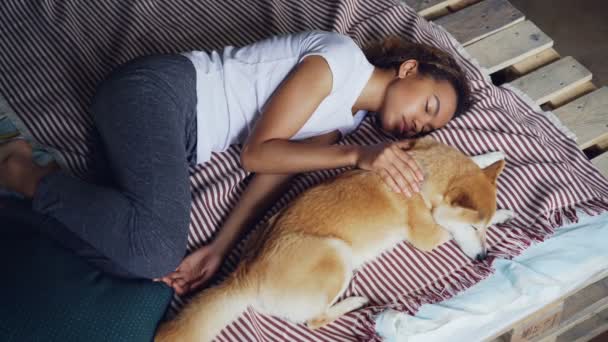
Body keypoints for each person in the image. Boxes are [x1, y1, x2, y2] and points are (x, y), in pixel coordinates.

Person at [0, 30, 470, 295]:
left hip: (171, 135)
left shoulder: (345, 127)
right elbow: (257, 151)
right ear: (409, 70)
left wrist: (221, 248)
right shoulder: (340, 60)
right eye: (428, 107)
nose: (418, 126)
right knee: (157, 251)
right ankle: (21, 168)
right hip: (159, 96)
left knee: (128, 265)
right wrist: (358, 156)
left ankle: (36, 186)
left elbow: (273, 171)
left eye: (429, 129)